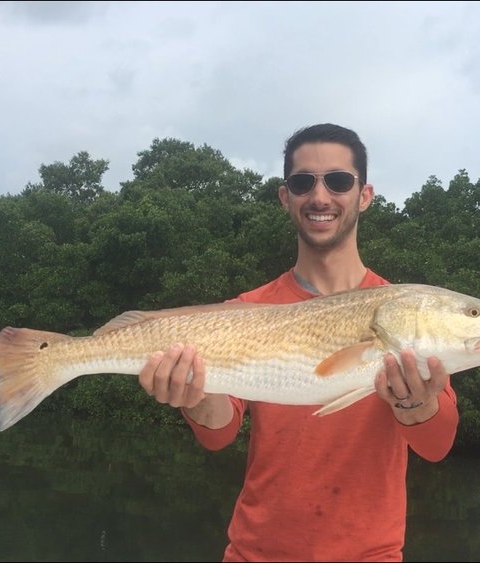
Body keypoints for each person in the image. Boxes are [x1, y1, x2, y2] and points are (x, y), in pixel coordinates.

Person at [137, 123, 459, 562]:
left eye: (340, 181)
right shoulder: (246, 310)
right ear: (286, 197)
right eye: (303, 182)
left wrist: (415, 403)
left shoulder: (403, 312)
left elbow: (437, 445)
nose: (321, 197)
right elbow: (219, 434)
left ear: (364, 195)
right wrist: (190, 396)